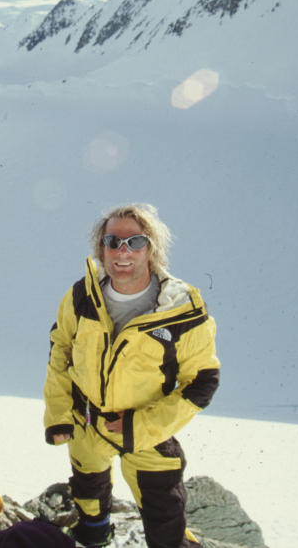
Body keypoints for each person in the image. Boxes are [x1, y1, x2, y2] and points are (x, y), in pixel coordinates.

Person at [43, 204, 219, 548]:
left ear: (151, 248)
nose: (123, 251)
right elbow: (60, 349)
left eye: (135, 242)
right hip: (89, 423)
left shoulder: (181, 308)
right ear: (101, 249)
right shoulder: (81, 297)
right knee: (88, 487)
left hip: (147, 432)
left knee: (165, 515)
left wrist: (139, 427)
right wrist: (60, 415)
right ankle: (95, 530)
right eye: (113, 241)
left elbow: (202, 381)